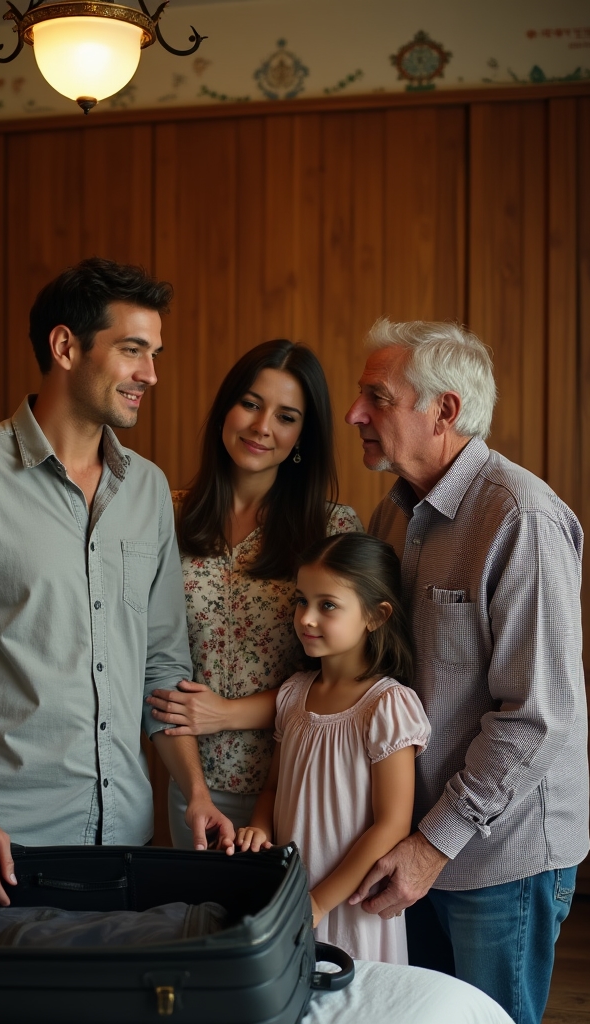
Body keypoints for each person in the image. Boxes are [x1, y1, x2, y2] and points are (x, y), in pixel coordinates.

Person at [0, 258, 235, 913]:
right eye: (132, 350)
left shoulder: (149, 489)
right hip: (0, 850)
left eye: (154, 354)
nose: (151, 374)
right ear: (65, 347)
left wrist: (196, 793)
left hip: (127, 840)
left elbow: (161, 666)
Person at [344, 318, 589, 1023]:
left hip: (500, 858)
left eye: (377, 398)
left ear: (443, 410)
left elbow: (535, 718)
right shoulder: (391, 516)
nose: (355, 414)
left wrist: (431, 846)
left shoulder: (520, 516)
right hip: (415, 842)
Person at [145, 340, 361, 847]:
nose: (262, 426)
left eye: (286, 417)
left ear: (302, 435)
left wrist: (226, 713)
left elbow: (347, 678)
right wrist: (192, 784)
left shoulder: (331, 529)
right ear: (227, 409)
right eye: (250, 403)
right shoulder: (165, 516)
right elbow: (150, 654)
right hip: (190, 786)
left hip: (298, 783)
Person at [235, 531, 429, 964]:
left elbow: (392, 825)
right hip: (292, 896)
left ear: (375, 616)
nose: (306, 618)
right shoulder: (293, 696)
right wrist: (259, 829)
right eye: (302, 601)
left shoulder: (386, 705)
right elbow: (273, 789)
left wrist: (320, 901)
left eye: (328, 605)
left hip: (350, 903)